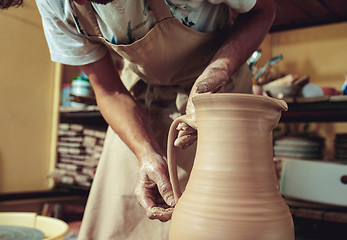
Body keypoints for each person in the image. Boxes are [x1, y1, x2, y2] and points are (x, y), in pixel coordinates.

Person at [1, 0, 275, 238]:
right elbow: (108, 90)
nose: (81, 3)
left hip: (217, 88)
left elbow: (264, 9)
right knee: (120, 220)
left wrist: (219, 68)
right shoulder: (53, 2)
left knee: (225, 220)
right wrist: (145, 152)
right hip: (138, 95)